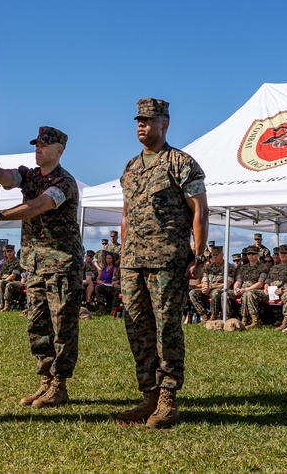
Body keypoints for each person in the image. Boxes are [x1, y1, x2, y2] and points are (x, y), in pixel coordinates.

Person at [114, 98, 207, 429]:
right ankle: (149, 395)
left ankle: (168, 399)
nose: (142, 125)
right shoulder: (130, 166)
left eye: (149, 120)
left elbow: (199, 210)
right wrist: (124, 252)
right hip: (133, 262)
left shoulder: (180, 162)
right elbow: (125, 215)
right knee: (137, 327)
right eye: (138, 120)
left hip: (168, 261)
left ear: (164, 124)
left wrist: (199, 255)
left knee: (166, 328)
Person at [0, 126, 84, 410]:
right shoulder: (31, 174)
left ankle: (59, 384)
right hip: (35, 265)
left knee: (62, 327)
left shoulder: (64, 182)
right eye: (36, 144)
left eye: (44, 145)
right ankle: (45, 380)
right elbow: (5, 177)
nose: (38, 149)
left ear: (59, 150)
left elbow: (38, 205)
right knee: (37, 325)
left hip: (61, 264)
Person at [0, 245, 23, 311]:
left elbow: (13, 276)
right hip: (3, 281)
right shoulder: (3, 263)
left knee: (4, 283)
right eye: (7, 251)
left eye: (10, 251)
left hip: (15, 282)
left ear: (14, 252)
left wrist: (2, 281)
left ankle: (6, 306)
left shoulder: (18, 262)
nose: (9, 253)